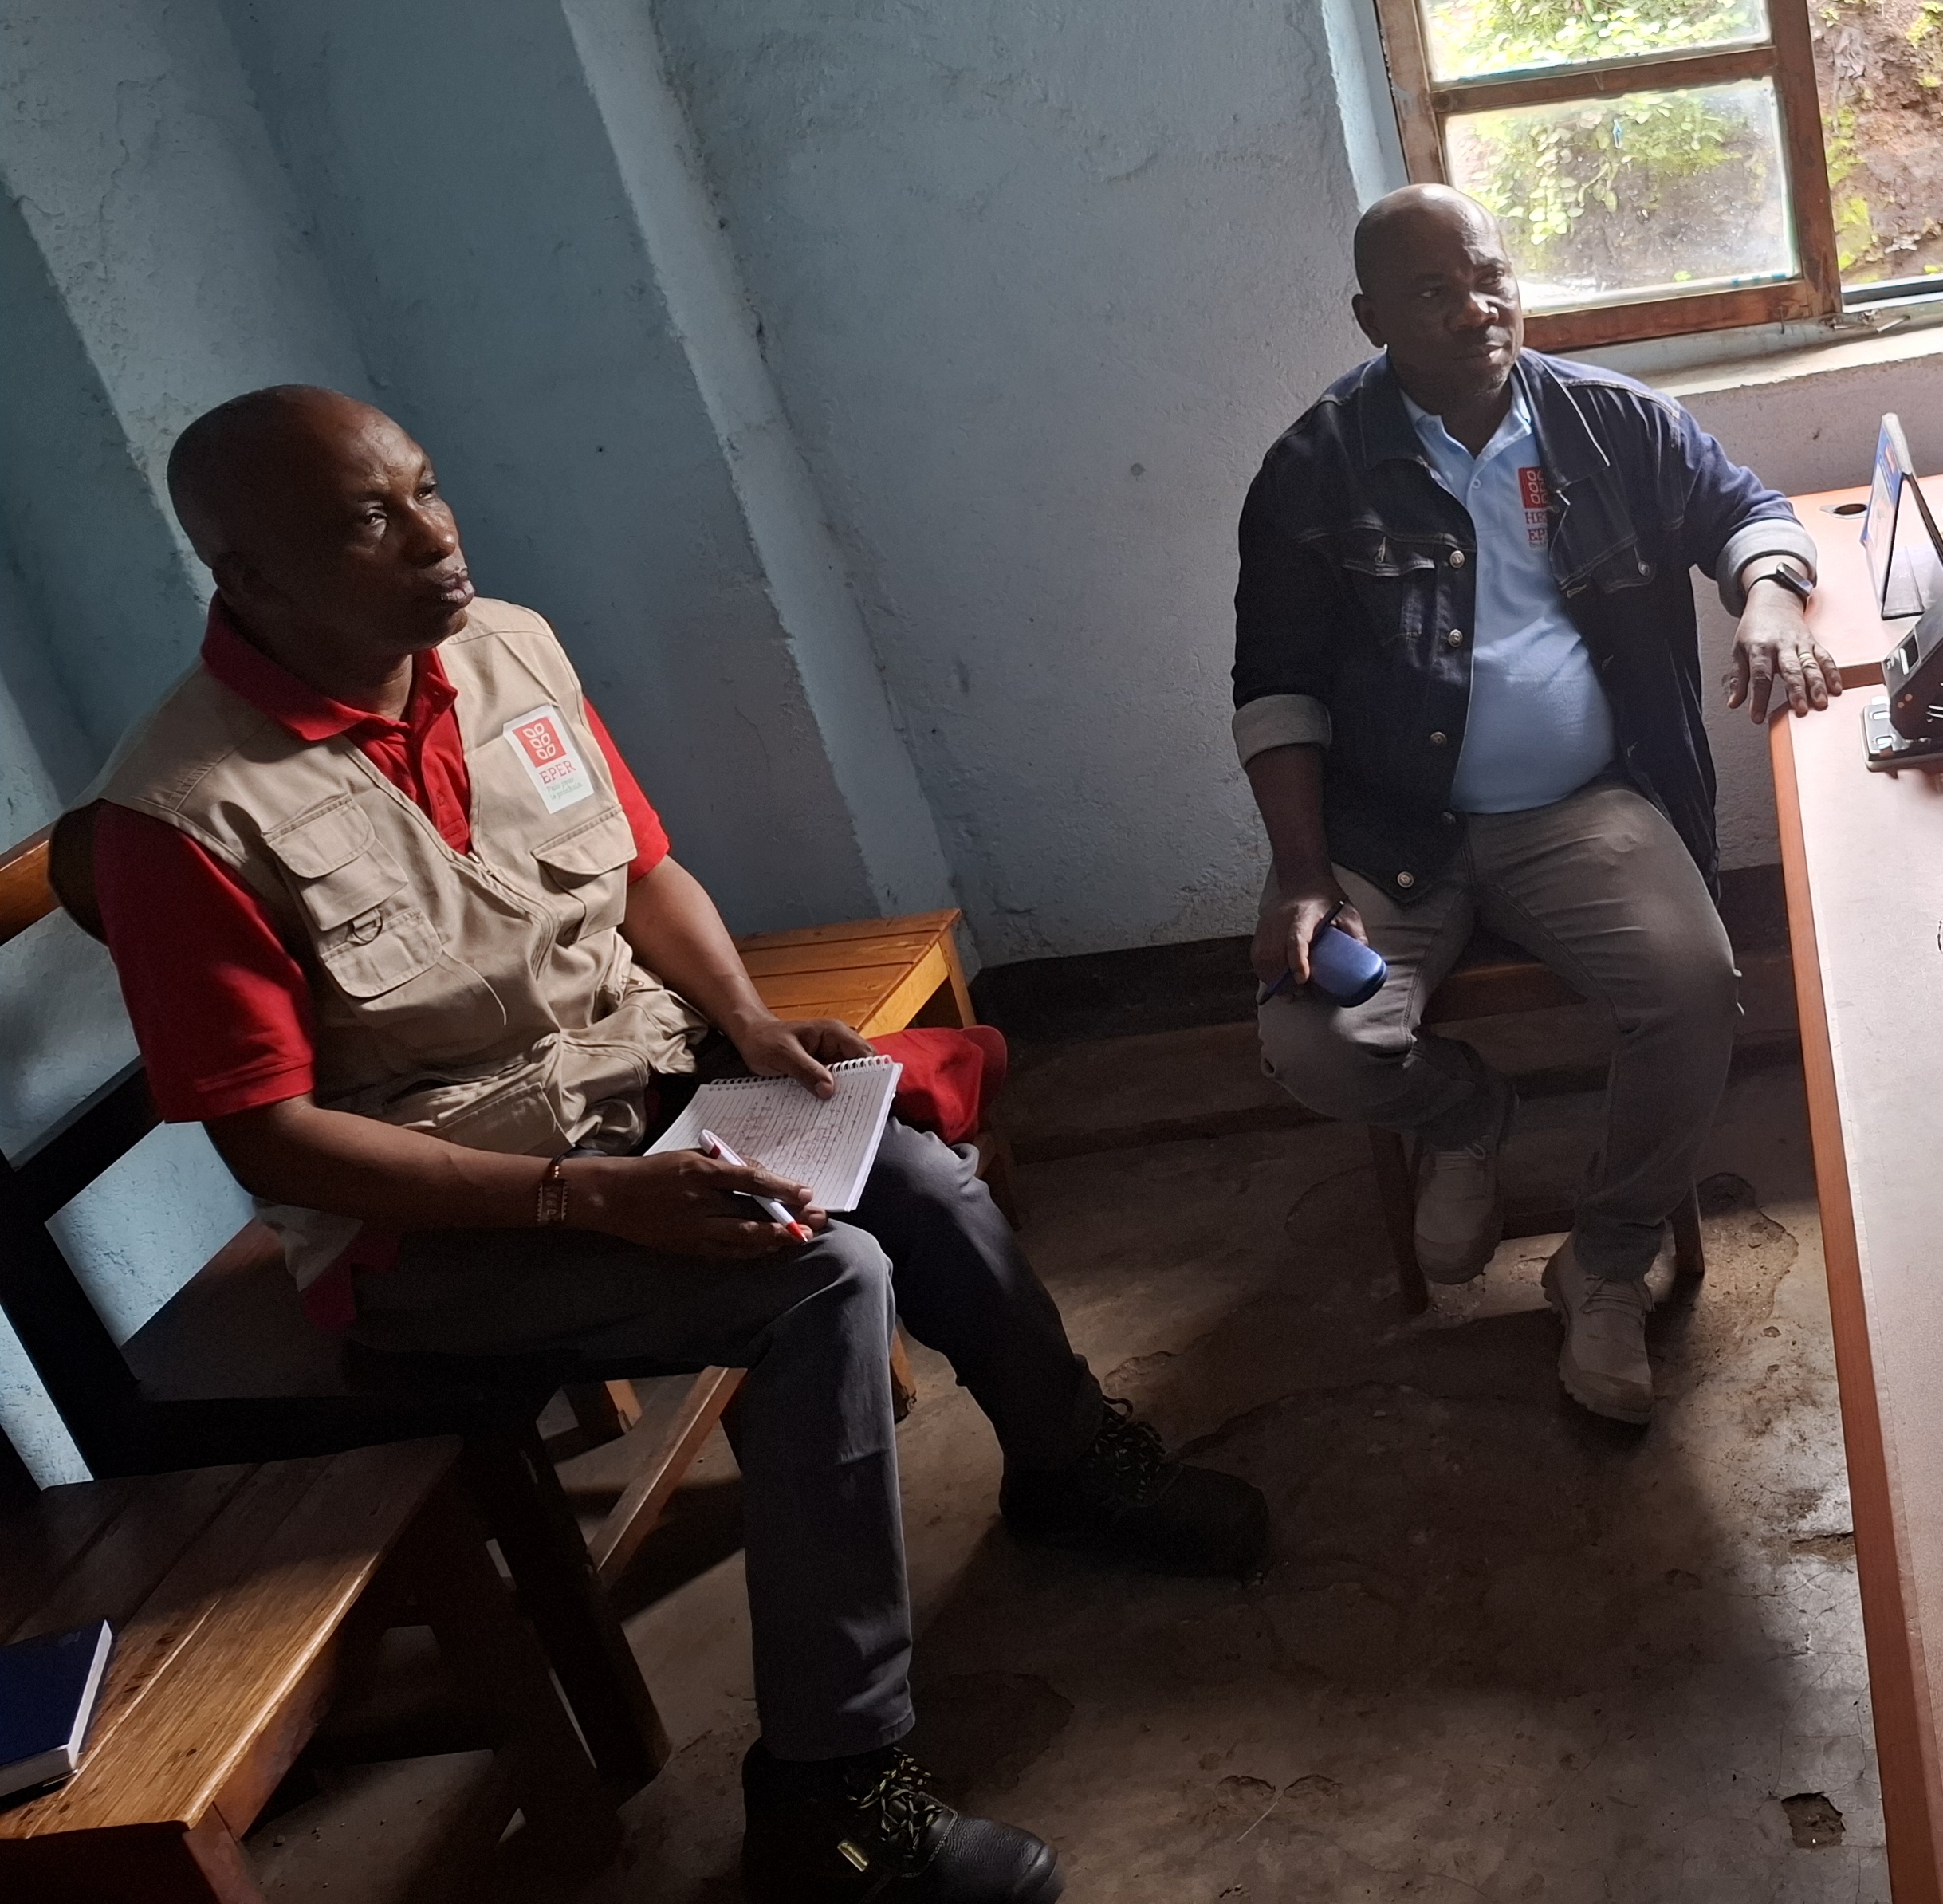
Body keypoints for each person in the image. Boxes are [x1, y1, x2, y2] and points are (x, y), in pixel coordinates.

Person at [85, 387, 1268, 1904]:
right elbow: (279, 1147)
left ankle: (1066, 1464)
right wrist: (591, 1200)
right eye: (368, 521)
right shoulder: (182, 815)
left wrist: (751, 1026)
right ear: (247, 577)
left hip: (641, 1100)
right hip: (439, 1237)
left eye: (428, 489)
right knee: (822, 1282)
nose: (436, 537)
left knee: (904, 1158)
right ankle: (834, 1802)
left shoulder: (505, 647)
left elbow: (645, 872)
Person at [1232, 184, 1838, 1422]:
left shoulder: (1611, 426)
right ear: (1371, 319)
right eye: (1434, 293)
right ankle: (1465, 1116)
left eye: (1492, 277)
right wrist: (1302, 873)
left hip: (1583, 806)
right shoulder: (1314, 470)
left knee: (1692, 991)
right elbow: (1276, 687)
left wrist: (1768, 599)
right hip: (1390, 828)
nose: (1477, 310)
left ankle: (1605, 1263)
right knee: (1313, 1040)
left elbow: (1751, 513)